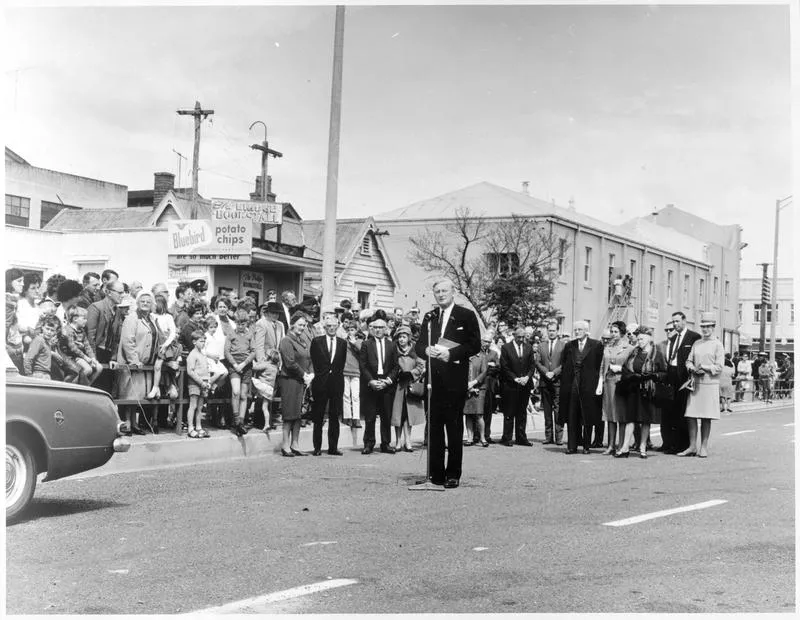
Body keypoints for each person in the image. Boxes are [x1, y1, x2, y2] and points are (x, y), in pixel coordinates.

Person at [415, 278, 481, 488]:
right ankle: (435, 474)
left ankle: (453, 474)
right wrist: (425, 350)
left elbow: (474, 345)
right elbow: (419, 345)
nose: (441, 295)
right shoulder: (430, 316)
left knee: (453, 428)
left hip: (454, 379)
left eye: (444, 291)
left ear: (453, 292)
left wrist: (450, 354)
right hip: (433, 380)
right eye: (437, 292)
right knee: (434, 428)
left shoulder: (466, 315)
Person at [614, 327, 667, 459]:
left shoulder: (657, 353)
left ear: (649, 338)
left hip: (648, 389)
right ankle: (625, 447)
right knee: (630, 419)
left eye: (642, 338)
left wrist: (653, 375)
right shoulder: (634, 352)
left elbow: (664, 372)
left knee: (645, 420)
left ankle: (643, 446)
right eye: (638, 339)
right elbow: (626, 367)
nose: (639, 341)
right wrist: (631, 376)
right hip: (633, 388)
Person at [679, 312, 725, 458]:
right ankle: (692, 446)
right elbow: (688, 360)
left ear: (713, 327)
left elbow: (719, 367)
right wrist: (691, 367)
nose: (705, 330)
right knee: (691, 415)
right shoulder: (697, 343)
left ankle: (703, 447)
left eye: (708, 327)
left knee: (706, 417)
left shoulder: (718, 345)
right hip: (696, 384)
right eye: (703, 327)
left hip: (709, 384)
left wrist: (704, 367)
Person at [116, 291, 159, 435]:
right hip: (133, 363)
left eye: (148, 301)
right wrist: (134, 360)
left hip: (146, 364)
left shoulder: (151, 318)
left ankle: (134, 423)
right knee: (129, 394)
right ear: (138, 303)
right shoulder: (132, 318)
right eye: (142, 301)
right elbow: (128, 340)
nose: (145, 304)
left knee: (137, 395)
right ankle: (127, 423)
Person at [558, 320, 604, 454]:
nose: (577, 332)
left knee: (587, 416)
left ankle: (586, 446)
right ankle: (572, 446)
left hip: (588, 385)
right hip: (573, 384)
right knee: (572, 415)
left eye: (580, 330)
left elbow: (598, 366)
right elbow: (565, 364)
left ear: (586, 331)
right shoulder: (569, 346)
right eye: (575, 330)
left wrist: (596, 384)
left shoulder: (596, 345)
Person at [659, 311, 701, 453]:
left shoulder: (693, 337)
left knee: (683, 412)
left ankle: (684, 445)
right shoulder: (674, 338)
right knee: (672, 411)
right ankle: (672, 443)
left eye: (677, 321)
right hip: (672, 375)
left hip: (684, 377)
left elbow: (695, 357)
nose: (675, 324)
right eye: (673, 322)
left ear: (684, 321)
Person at [359, 313, 398, 454]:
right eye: (375, 327)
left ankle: (386, 443)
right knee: (370, 417)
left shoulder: (392, 345)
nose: (378, 330)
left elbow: (396, 366)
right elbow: (362, 365)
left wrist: (388, 381)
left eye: (381, 327)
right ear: (371, 329)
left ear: (386, 329)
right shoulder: (366, 344)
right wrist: (371, 381)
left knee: (386, 416)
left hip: (386, 384)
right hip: (371, 384)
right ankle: (369, 443)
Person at [309, 314, 347, 456]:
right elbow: (314, 360)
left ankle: (333, 447)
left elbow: (341, 363)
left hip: (336, 383)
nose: (331, 328)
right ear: (324, 328)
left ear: (337, 327)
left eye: (334, 326)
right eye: (329, 326)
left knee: (334, 415)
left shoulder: (343, 343)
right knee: (318, 416)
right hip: (321, 382)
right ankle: (317, 447)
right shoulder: (317, 341)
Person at [278, 313, 314, 457]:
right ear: (292, 324)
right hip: (290, 380)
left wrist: (311, 373)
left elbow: (308, 358)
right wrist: (304, 374)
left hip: (301, 381)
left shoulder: (302, 341)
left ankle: (295, 444)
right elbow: (290, 362)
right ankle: (285, 445)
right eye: (300, 325)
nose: (302, 328)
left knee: (298, 414)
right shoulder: (286, 340)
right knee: (289, 414)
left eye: (304, 325)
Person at [595, 320, 632, 455]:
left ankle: (621, 445)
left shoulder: (629, 348)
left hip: (621, 383)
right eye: (612, 331)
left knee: (620, 415)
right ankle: (611, 445)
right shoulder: (608, 347)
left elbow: (631, 367)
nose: (613, 334)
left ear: (622, 333)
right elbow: (602, 366)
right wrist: (600, 382)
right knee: (610, 415)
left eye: (616, 331)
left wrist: (621, 368)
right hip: (608, 383)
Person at [390, 324, 426, 452]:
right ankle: (398, 441)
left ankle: (408, 441)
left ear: (409, 338)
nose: (401, 340)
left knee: (409, 416)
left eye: (404, 337)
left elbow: (421, 365)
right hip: (398, 386)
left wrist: (411, 373)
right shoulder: (393, 350)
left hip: (410, 385)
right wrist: (397, 375)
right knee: (397, 415)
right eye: (399, 337)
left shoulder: (415, 351)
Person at [499, 326, 536, 447]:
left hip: (524, 384)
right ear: (514, 336)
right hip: (511, 384)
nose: (521, 339)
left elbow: (532, 365)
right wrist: (515, 378)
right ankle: (507, 437)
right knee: (509, 412)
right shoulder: (506, 348)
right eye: (519, 337)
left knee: (522, 412)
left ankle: (521, 437)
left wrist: (527, 377)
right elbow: (504, 366)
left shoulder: (528, 347)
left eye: (523, 337)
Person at [253, 301, 287, 430]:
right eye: (273, 313)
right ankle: (259, 421)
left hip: (276, 361)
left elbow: (281, 343)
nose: (275, 316)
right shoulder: (261, 324)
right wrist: (262, 362)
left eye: (277, 313)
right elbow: (259, 345)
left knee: (271, 392)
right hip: (266, 361)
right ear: (267, 312)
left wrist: (280, 362)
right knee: (262, 392)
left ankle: (269, 420)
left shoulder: (280, 325)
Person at [225, 307, 255, 437]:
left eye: (243, 324)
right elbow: (226, 351)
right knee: (235, 391)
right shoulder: (231, 333)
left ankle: (241, 422)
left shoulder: (249, 334)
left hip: (246, 365)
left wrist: (244, 363)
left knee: (243, 395)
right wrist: (235, 364)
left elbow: (253, 351)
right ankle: (236, 420)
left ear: (246, 323)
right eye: (238, 323)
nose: (240, 326)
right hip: (234, 365)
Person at [146, 294, 180, 403]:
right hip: (154, 343)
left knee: (158, 365)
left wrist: (166, 345)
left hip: (163, 344)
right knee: (154, 365)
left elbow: (173, 333)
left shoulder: (168, 317)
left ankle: (156, 387)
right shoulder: (151, 315)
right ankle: (156, 388)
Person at [536, 320, 565, 446]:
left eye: (553, 330)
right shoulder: (541, 345)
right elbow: (537, 362)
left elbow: (565, 363)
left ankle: (559, 437)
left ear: (557, 331)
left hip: (557, 381)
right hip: (545, 381)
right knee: (547, 410)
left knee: (558, 409)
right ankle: (548, 436)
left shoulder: (563, 345)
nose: (551, 333)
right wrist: (546, 372)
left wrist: (554, 372)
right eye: (550, 330)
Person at [60, 305, 103, 385]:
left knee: (99, 367)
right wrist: (86, 358)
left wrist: (93, 358)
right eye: (84, 319)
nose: (86, 321)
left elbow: (87, 346)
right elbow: (73, 348)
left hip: (80, 357)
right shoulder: (68, 330)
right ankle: (71, 386)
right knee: (87, 369)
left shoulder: (82, 331)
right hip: (71, 357)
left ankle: (87, 386)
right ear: (75, 319)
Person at [463, 338, 490, 447]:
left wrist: (474, 383)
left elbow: (484, 372)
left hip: (479, 389)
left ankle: (482, 437)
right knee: (468, 414)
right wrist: (467, 386)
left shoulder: (482, 357)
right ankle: (469, 437)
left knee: (479, 414)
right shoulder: (465, 357)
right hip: (466, 389)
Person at [185, 330, 211, 439]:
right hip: (195, 383)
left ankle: (199, 426)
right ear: (194, 342)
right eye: (201, 341)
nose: (203, 343)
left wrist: (207, 382)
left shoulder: (202, 354)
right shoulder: (192, 354)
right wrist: (201, 382)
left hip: (203, 384)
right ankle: (191, 428)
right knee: (193, 405)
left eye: (204, 341)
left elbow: (206, 369)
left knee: (200, 407)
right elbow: (190, 371)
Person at [342, 318, 363, 447]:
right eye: (349, 329)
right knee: (346, 395)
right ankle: (347, 416)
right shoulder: (344, 341)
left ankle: (356, 417)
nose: (351, 332)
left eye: (353, 329)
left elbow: (362, 351)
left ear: (357, 330)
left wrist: (354, 342)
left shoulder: (359, 341)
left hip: (356, 370)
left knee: (355, 395)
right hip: (345, 369)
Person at [479, 331, 501, 443]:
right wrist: (488, 366)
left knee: (488, 411)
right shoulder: (476, 352)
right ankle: (475, 436)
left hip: (490, 386)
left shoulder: (494, 353)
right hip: (478, 385)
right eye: (485, 341)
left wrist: (487, 368)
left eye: (489, 341)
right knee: (477, 412)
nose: (486, 343)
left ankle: (487, 435)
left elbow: (497, 368)